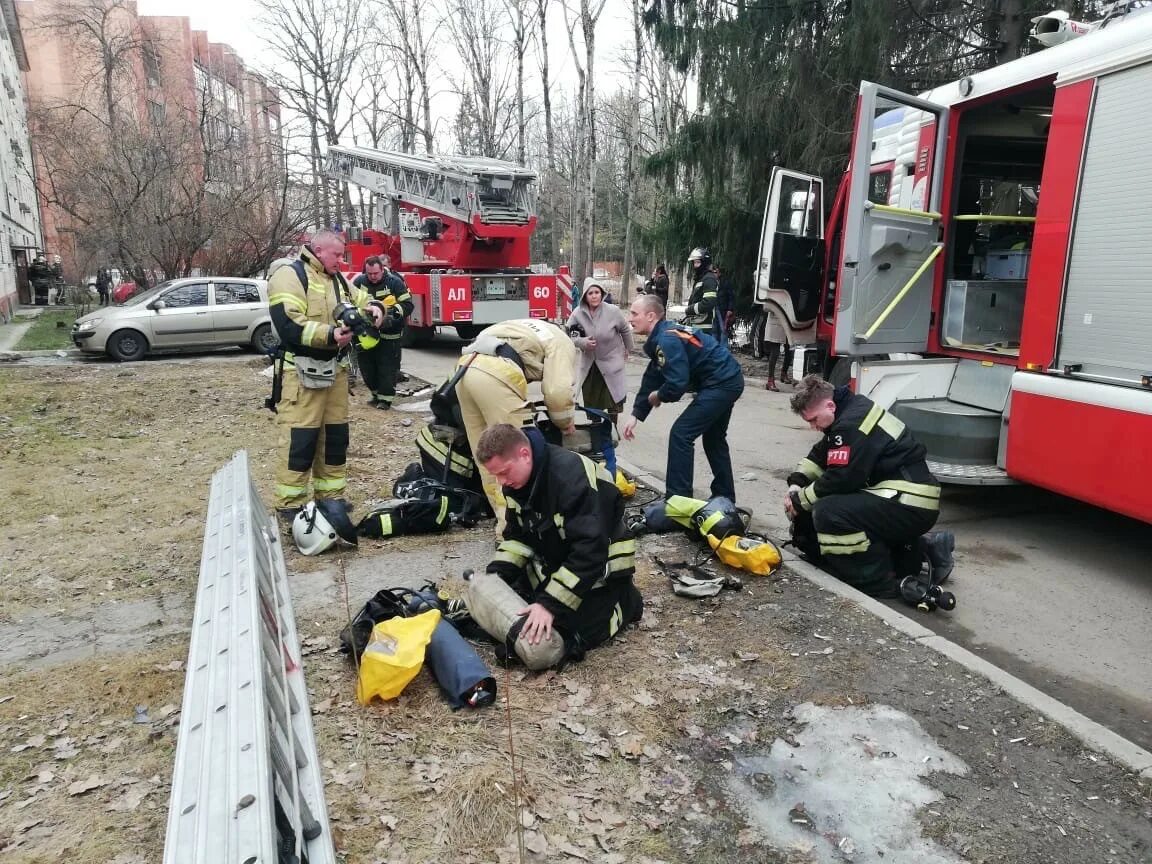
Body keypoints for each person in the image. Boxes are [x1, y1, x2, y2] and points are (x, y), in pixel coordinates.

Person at [476, 423, 642, 662]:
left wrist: (550, 605)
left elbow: (589, 552)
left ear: (524, 454)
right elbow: (518, 538)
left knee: (572, 632)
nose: (501, 482)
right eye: (496, 475)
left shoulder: (571, 480)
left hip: (600, 568)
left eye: (504, 472)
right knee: (521, 609)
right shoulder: (518, 483)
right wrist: (496, 577)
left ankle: (626, 602)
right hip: (560, 559)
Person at [785, 375, 956, 598]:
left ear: (830, 404)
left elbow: (842, 478)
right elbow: (821, 455)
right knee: (828, 506)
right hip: (905, 496)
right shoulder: (849, 411)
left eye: (814, 420)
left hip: (909, 500)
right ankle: (920, 550)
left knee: (828, 512)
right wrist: (796, 483)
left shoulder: (850, 424)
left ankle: (878, 583)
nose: (813, 427)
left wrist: (800, 500)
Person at [267, 229, 386, 520]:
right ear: (318, 250)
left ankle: (330, 499)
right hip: (302, 374)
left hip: (334, 372)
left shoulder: (338, 280)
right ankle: (290, 504)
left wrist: (375, 308)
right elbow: (288, 323)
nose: (342, 261)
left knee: (334, 439)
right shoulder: (290, 275)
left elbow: (361, 300)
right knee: (300, 439)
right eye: (337, 255)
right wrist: (330, 334)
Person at [452, 318, 579, 530]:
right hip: (497, 374)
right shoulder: (561, 341)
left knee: (486, 456)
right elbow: (558, 391)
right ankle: (514, 529)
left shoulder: (521, 326)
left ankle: (502, 520)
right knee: (514, 456)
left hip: (464, 370)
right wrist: (565, 422)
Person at [622, 294, 745, 501]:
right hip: (727, 379)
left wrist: (659, 396)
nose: (630, 318)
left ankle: (678, 499)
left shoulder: (667, 339)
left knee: (681, 434)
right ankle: (725, 498)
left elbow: (677, 383)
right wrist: (636, 413)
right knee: (714, 439)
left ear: (651, 316)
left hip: (721, 383)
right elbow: (652, 376)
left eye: (634, 313)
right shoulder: (663, 334)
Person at [566, 278, 635, 427]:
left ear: (601, 294)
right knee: (592, 400)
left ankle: (612, 429)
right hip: (591, 364)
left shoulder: (613, 311)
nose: (594, 295)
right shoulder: (577, 314)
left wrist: (628, 348)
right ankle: (596, 428)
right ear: (585, 296)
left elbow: (625, 329)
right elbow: (570, 335)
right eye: (590, 293)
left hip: (611, 360)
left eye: (597, 292)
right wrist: (582, 342)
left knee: (612, 399)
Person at [352, 255, 412, 409]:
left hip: (389, 334)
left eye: (375, 274)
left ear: (382, 270)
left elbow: (407, 304)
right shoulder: (359, 282)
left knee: (387, 367)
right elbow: (350, 302)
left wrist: (391, 315)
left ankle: (385, 399)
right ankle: (375, 394)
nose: (372, 277)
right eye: (369, 273)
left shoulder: (394, 282)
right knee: (367, 367)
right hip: (367, 334)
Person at [682, 247, 717, 327]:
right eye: (694, 263)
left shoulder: (709, 279)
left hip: (704, 326)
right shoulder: (701, 279)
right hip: (697, 323)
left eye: (698, 262)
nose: (695, 266)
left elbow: (708, 302)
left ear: (704, 263)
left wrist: (690, 309)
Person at [762, 308, 795, 391]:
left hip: (789, 320)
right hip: (776, 320)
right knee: (775, 352)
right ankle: (770, 380)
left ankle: (784, 373)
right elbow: (766, 307)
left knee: (790, 349)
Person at [713, 265, 735, 348]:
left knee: (723, 330)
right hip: (713, 308)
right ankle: (715, 348)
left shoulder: (725, 282)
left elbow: (731, 297)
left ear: (719, 273)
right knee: (714, 330)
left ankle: (723, 349)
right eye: (713, 272)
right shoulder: (711, 283)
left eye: (716, 272)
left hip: (723, 309)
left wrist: (730, 309)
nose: (714, 274)